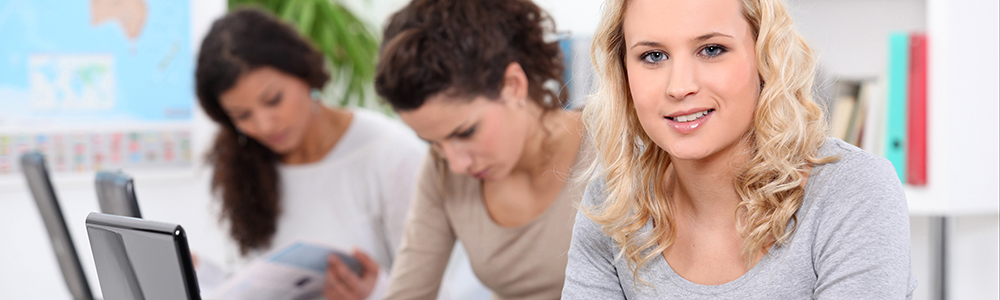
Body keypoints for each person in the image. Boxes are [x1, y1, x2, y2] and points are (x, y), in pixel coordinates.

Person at [562, 0, 917, 299]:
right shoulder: (613, 205)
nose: (679, 86)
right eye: (653, 56)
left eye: (712, 50)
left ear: (765, 57)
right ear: (623, 74)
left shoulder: (852, 191)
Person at [194, 8, 426, 300]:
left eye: (273, 100)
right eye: (242, 115)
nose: (264, 125)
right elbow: (261, 286)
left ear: (302, 72)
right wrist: (202, 274)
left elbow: (445, 289)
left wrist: (376, 293)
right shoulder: (250, 163)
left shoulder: (390, 154)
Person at [371, 0, 591, 298]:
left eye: (465, 132)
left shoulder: (612, 144)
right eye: (432, 143)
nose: (456, 164)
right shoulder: (441, 168)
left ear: (513, 85)